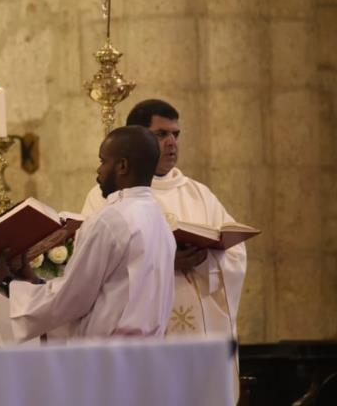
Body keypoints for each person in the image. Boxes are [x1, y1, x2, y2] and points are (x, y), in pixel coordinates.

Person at [0, 126, 175, 340]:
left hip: (112, 352)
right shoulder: (158, 218)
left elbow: (72, 300)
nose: (98, 170)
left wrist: (7, 282)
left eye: (103, 161)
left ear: (122, 166)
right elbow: (105, 292)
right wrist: (34, 281)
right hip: (148, 351)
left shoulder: (112, 220)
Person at [81, 99, 247, 341]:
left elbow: (235, 255)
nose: (172, 143)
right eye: (161, 134)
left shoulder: (199, 194)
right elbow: (94, 263)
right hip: (139, 330)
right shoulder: (104, 196)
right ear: (140, 140)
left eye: (175, 134)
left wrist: (204, 261)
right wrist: (163, 261)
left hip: (198, 332)